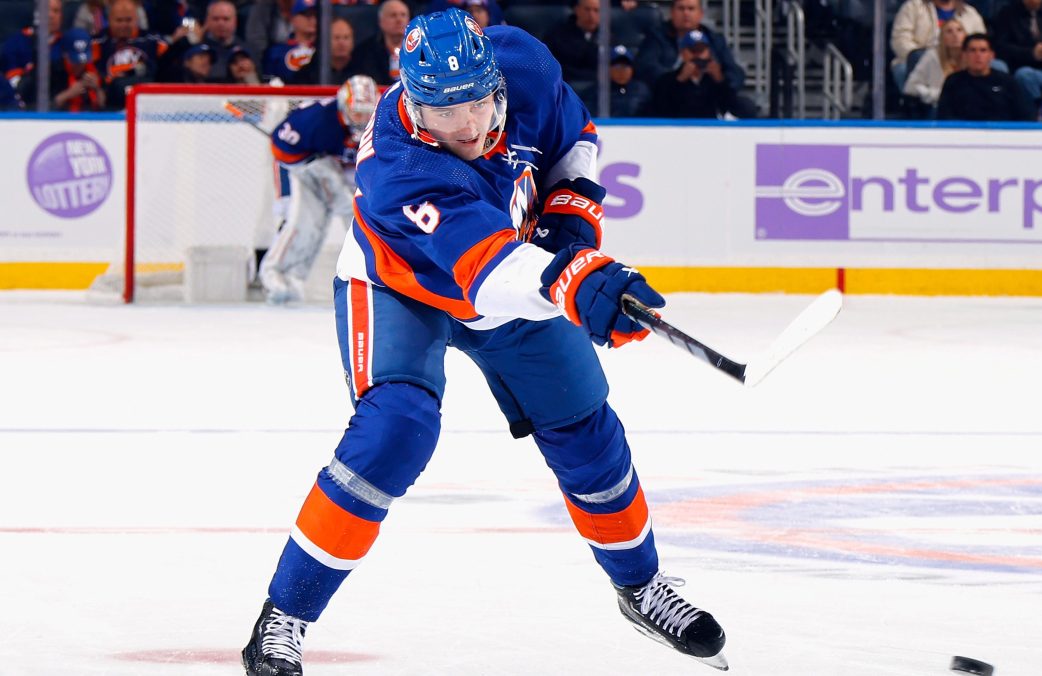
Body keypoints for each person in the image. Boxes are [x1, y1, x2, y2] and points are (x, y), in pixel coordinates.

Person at [240, 9, 727, 675]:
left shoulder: (523, 63)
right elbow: (490, 272)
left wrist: (570, 220)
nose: (467, 126)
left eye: (475, 103)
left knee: (585, 427)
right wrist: (573, 280)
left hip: (514, 272)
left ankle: (641, 586)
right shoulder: (398, 168)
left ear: (496, 80)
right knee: (395, 431)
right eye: (444, 113)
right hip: (402, 286)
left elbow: (574, 134)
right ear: (413, 105)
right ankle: (285, 615)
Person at [257, 74, 378, 305]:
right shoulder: (316, 120)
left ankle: (374, 276)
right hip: (312, 168)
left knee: (366, 221)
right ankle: (277, 276)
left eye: (367, 113)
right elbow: (280, 148)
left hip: (355, 170)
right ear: (343, 105)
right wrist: (317, 168)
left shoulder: (383, 122)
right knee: (306, 223)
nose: (362, 119)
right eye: (357, 113)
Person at [650, 28, 754, 118]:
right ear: (683, 53)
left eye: (701, 51)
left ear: (708, 52)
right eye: (693, 51)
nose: (697, 56)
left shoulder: (716, 80)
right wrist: (680, 81)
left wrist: (719, 80)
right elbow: (661, 109)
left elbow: (730, 106)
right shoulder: (667, 80)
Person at [889, 0, 986, 90]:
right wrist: (925, 60)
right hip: (921, 60)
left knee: (993, 65)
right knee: (903, 69)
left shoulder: (970, 13)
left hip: (961, 62)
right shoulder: (913, 7)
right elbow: (900, 39)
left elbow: (981, 41)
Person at [937, 33, 1036, 120]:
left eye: (983, 50)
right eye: (972, 50)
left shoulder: (1007, 82)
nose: (978, 55)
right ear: (964, 55)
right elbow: (944, 116)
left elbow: (1026, 115)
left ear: (991, 55)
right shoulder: (953, 82)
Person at [93, 0, 168, 109]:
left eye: (128, 20)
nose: (124, 25)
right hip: (110, 103)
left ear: (136, 19)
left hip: (147, 102)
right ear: (109, 20)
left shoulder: (153, 40)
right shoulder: (98, 42)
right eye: (119, 20)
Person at [19, 27, 105, 111]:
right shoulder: (51, 73)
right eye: (75, 61)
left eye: (83, 61)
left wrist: (97, 89)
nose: (80, 65)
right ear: (65, 54)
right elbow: (35, 109)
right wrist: (67, 95)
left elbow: (106, 108)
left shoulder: (94, 70)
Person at [991, 0, 1042, 106]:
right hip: (1016, 65)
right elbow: (1001, 47)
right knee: (1023, 74)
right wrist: (1031, 53)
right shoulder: (1007, 14)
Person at [903, 18, 966, 114]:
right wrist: (936, 95)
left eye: (959, 30)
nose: (955, 35)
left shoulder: (974, 56)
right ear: (942, 37)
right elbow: (910, 87)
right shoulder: (932, 56)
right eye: (949, 31)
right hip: (939, 108)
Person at [3, 0, 64, 93]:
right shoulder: (16, 43)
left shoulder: (67, 43)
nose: (51, 15)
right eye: (45, 10)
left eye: (56, 11)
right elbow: (13, 87)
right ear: (36, 13)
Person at [349, 0, 409, 84]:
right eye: (393, 15)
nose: (399, 20)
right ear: (381, 21)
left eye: (403, 15)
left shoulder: (420, 51)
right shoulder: (364, 52)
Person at [544, 0, 602, 83]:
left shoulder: (608, 37)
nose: (591, 15)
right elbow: (551, 66)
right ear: (576, 9)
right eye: (587, 9)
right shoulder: (557, 35)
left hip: (598, 86)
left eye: (596, 10)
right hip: (565, 84)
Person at [609, 44, 651, 116]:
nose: (621, 71)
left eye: (625, 66)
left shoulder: (642, 91)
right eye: (617, 66)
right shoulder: (597, 92)